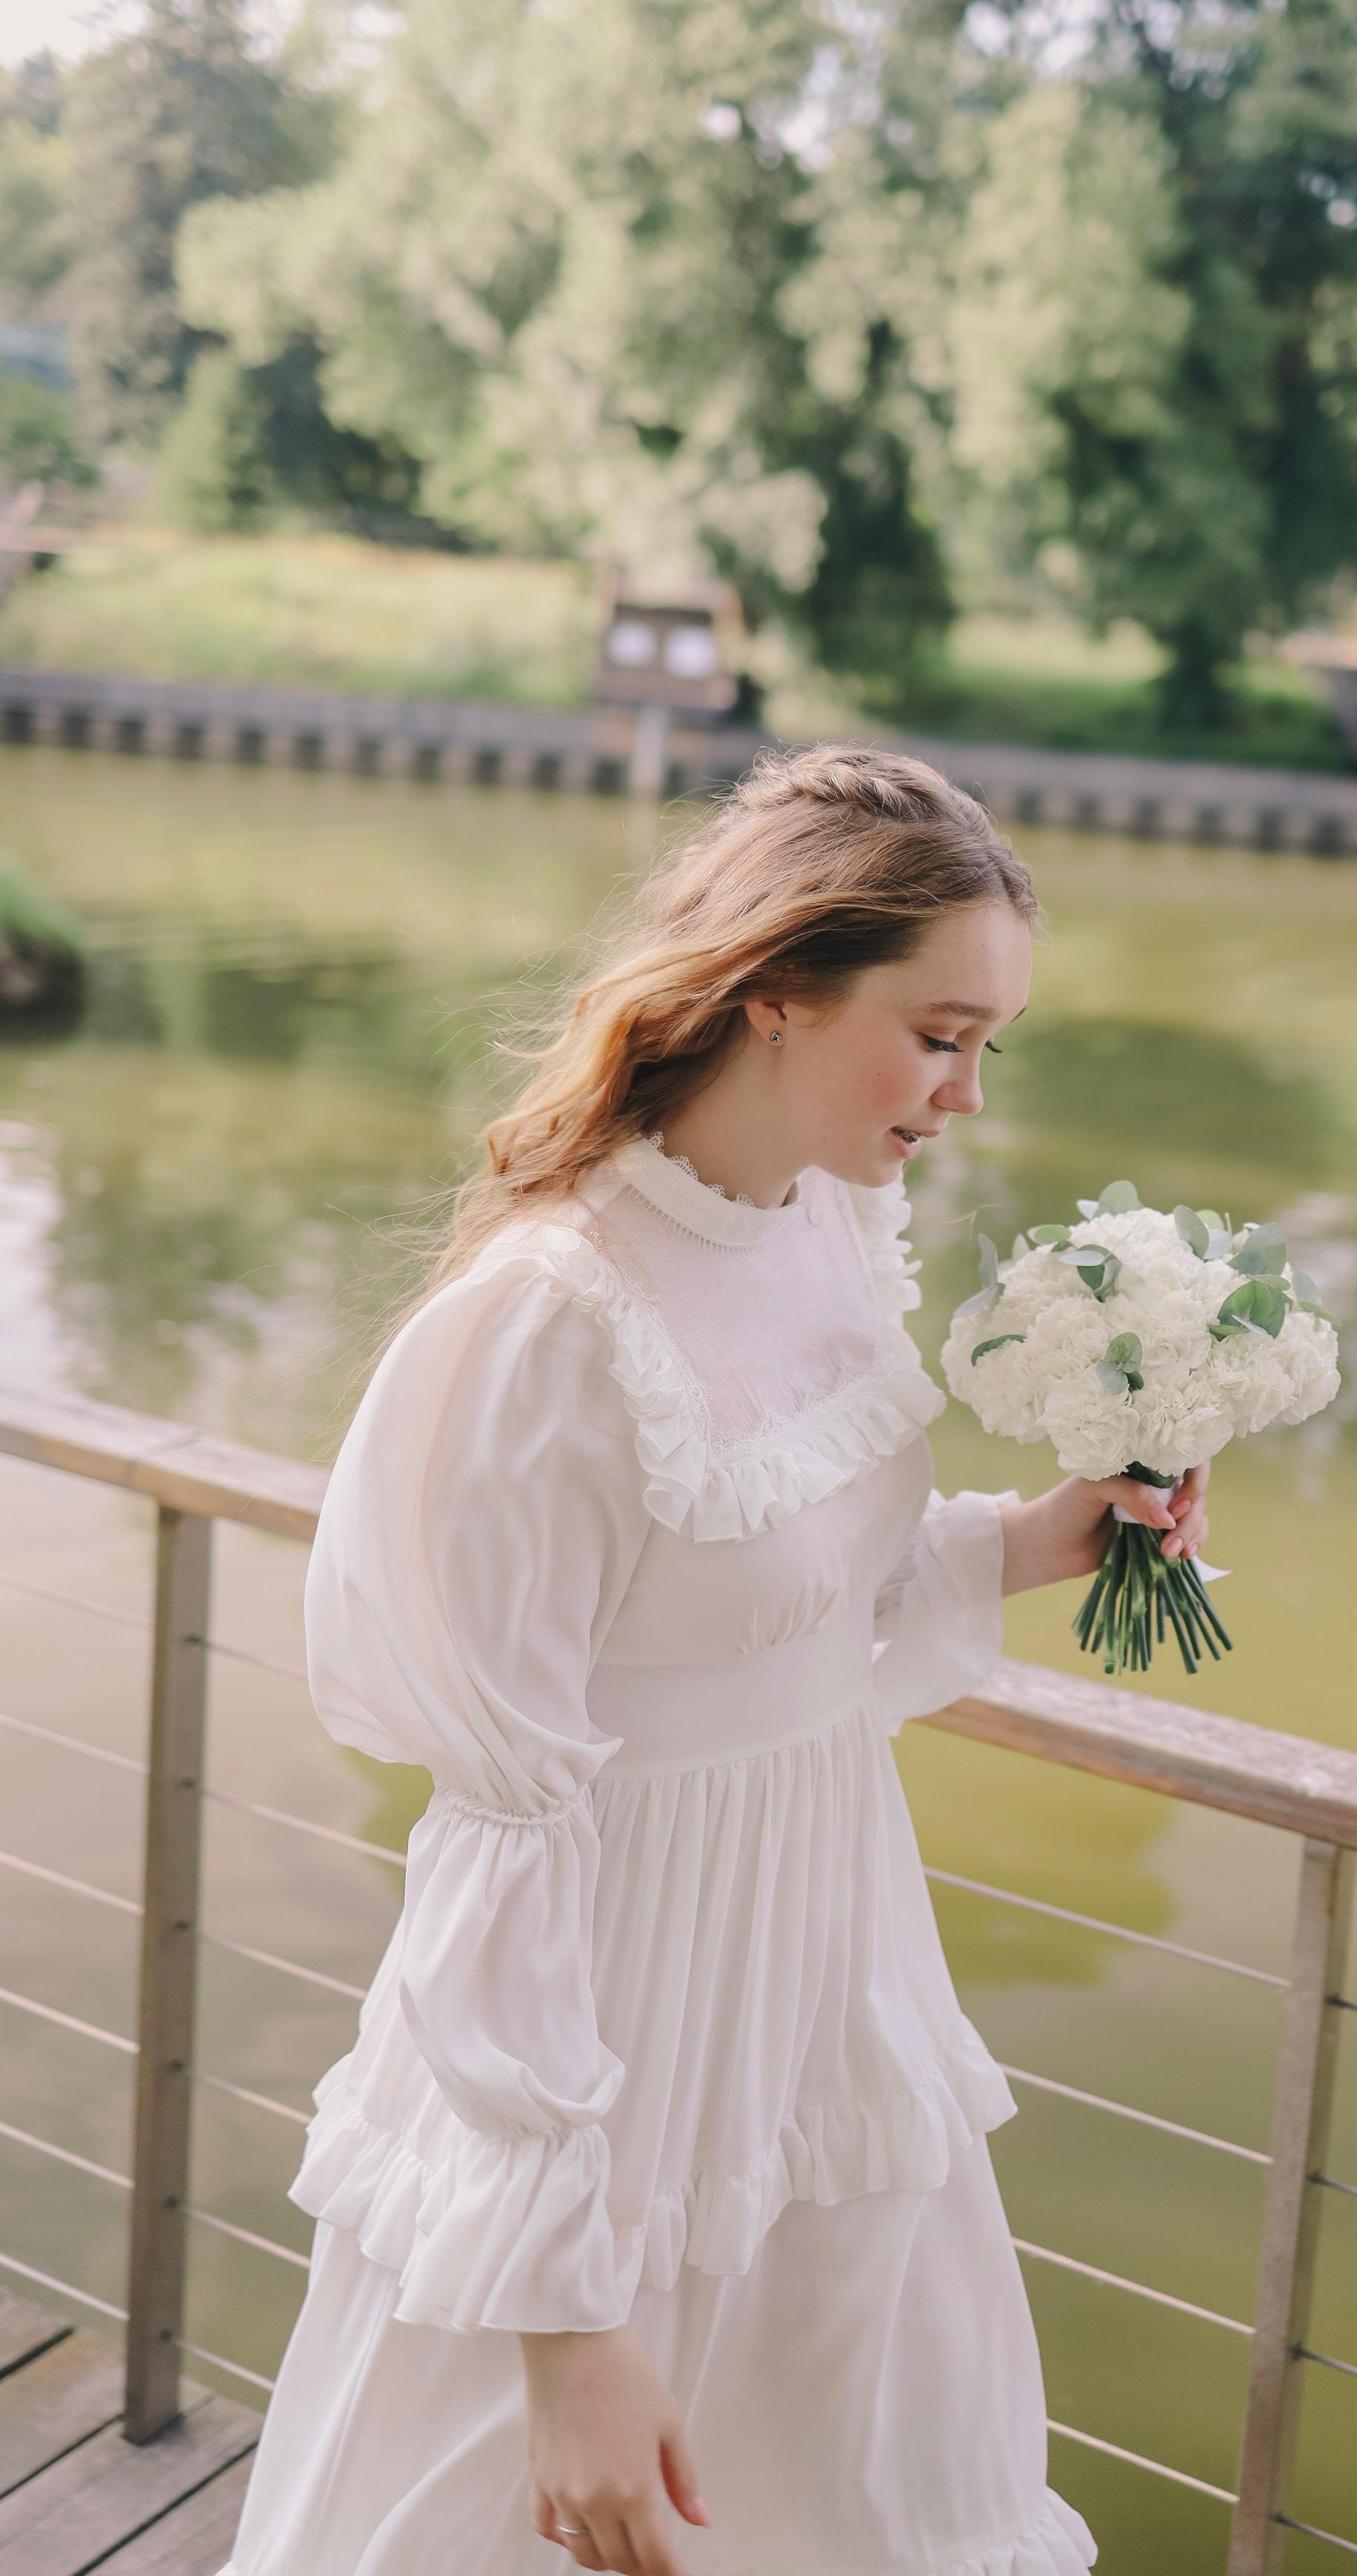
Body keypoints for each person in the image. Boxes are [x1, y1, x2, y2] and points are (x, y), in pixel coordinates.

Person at [222, 746, 1212, 2576]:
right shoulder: (540, 1327)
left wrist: (1031, 1538)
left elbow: (784, 1601)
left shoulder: (829, 1222)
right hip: (608, 2028)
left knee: (861, 2496)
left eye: (989, 1045)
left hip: (825, 1980)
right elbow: (506, 1827)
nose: (966, 1096)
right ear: (774, 985)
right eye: (936, 1034)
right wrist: (570, 2322)